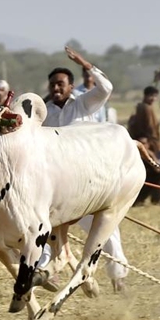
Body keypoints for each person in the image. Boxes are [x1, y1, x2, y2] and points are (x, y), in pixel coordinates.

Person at [39, 46, 129, 291]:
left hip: (86, 184)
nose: (56, 88)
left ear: (71, 87)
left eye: (61, 84)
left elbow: (106, 89)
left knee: (106, 230)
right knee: (41, 229)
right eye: (53, 85)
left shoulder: (82, 104)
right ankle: (47, 272)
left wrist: (84, 62)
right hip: (56, 187)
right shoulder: (42, 113)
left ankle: (117, 277)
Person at [127, 86, 160, 205]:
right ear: (145, 96)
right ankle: (146, 199)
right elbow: (148, 129)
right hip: (146, 145)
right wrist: (148, 144)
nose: (153, 98)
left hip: (147, 144)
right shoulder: (145, 108)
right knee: (154, 172)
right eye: (151, 96)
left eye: (155, 96)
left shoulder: (142, 107)